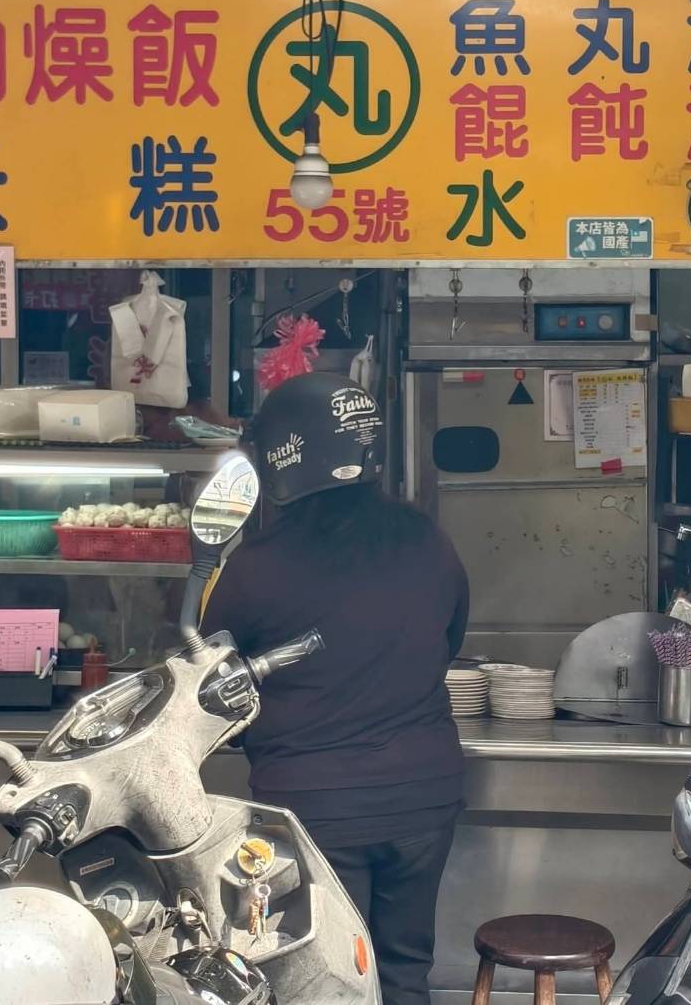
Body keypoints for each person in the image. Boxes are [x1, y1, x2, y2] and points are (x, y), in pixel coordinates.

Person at [204, 371, 469, 1005]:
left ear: (280, 461)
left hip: (314, 805)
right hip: (424, 796)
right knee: (405, 967)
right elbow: (448, 641)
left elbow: (212, 677)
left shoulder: (255, 566)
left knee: (327, 977)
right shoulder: (427, 540)